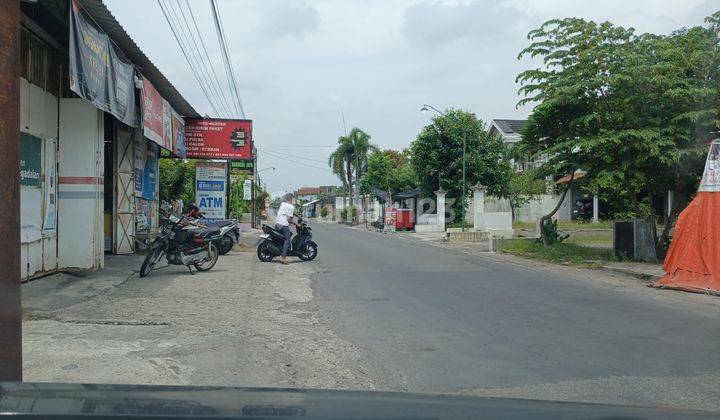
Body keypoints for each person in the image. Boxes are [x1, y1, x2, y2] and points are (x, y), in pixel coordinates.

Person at [275, 192, 298, 265]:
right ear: (291, 199)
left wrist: (298, 216)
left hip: (277, 224)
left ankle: (280, 251)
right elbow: (289, 220)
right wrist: (297, 225)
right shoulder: (291, 207)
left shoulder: (283, 204)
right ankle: (282, 257)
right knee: (287, 240)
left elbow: (290, 212)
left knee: (284, 238)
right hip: (283, 225)